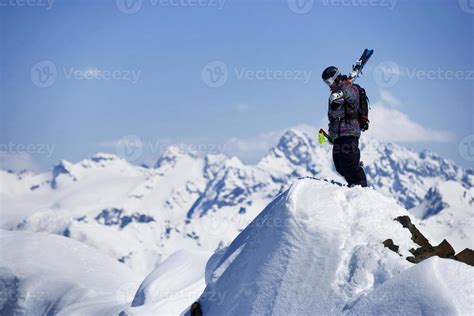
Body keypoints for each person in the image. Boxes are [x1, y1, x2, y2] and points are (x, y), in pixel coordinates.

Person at [322, 66, 368, 187]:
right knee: (338, 164)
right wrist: (331, 135)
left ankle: (360, 186)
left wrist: (341, 93)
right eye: (326, 82)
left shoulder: (350, 88)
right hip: (338, 135)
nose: (329, 85)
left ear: (336, 78)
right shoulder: (333, 95)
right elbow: (331, 117)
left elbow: (352, 96)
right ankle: (353, 184)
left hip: (349, 131)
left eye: (330, 81)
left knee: (349, 163)